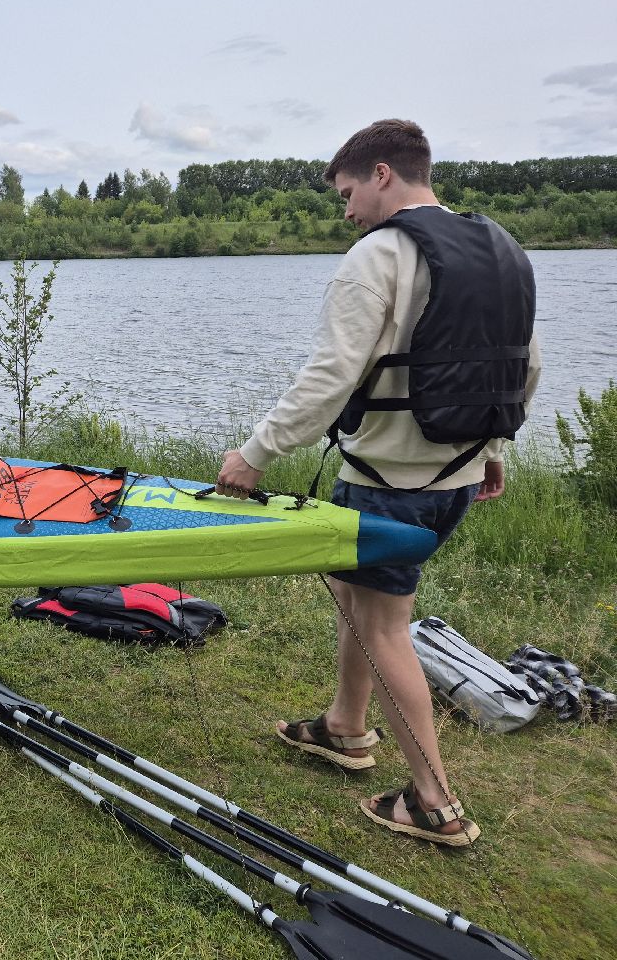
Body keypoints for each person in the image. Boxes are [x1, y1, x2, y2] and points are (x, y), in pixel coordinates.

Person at [215, 119, 541, 846]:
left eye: (348, 192)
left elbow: (330, 376)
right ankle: (344, 727)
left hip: (388, 480)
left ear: (383, 174)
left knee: (384, 623)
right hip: (454, 477)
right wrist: (492, 448)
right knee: (353, 598)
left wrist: (255, 453)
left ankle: (434, 801)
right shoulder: (502, 251)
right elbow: (522, 365)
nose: (346, 211)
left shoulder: (378, 257)